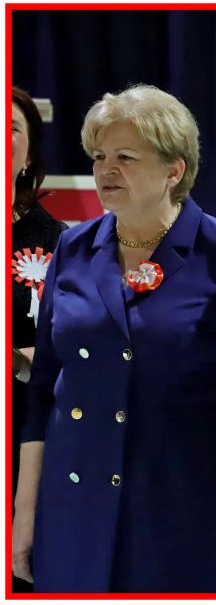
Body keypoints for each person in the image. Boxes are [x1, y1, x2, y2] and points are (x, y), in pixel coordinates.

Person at [16, 84, 216, 592]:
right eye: (99, 156)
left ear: (174, 170)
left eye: (125, 158)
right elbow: (43, 390)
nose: (106, 170)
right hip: (74, 507)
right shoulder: (73, 247)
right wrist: (25, 514)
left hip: (184, 512)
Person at [10, 86, 66, 593]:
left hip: (24, 439)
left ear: (28, 158)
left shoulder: (60, 243)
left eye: (11, 129)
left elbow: (67, 355)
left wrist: (19, 358)